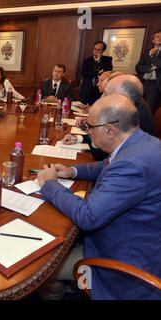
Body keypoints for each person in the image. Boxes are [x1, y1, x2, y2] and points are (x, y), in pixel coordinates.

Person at [36, 94, 161, 300]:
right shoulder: (143, 142)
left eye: (89, 127)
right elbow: (107, 166)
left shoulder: (132, 165)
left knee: (44, 268)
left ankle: (68, 289)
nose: (88, 132)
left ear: (109, 131)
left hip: (120, 263)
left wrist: (50, 185)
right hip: (142, 240)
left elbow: (88, 216)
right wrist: (72, 171)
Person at [63, 74, 156, 160]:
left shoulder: (131, 117)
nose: (102, 98)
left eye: (106, 94)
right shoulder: (133, 105)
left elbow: (102, 155)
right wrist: (80, 139)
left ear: (123, 96)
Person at [79, 41, 113, 105]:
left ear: (103, 51)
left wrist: (98, 62)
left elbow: (107, 73)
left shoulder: (107, 60)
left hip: (99, 90)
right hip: (87, 89)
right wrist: (98, 72)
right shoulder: (87, 61)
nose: (96, 51)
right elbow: (84, 74)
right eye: (95, 49)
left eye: (99, 49)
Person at [136, 29, 161, 114]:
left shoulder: (150, 53)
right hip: (143, 82)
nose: (159, 38)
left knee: (149, 109)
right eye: (157, 36)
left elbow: (160, 64)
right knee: (138, 107)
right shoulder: (147, 51)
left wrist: (151, 56)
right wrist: (151, 68)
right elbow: (138, 67)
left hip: (156, 85)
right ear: (153, 40)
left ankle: (146, 127)